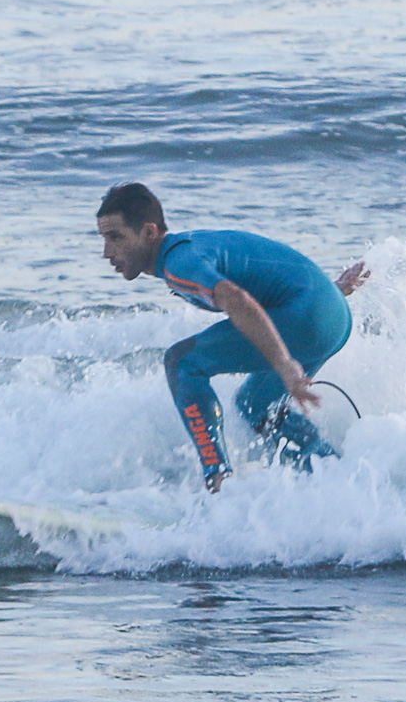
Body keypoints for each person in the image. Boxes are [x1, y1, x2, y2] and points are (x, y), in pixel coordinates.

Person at [97, 182, 368, 492]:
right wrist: (331, 293)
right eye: (104, 239)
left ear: (148, 232)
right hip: (330, 312)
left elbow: (236, 299)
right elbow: (269, 274)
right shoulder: (191, 248)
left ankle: (218, 481)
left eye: (115, 237)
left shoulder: (178, 263)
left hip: (306, 318)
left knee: (182, 362)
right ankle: (341, 481)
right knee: (256, 408)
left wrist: (284, 364)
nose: (107, 252)